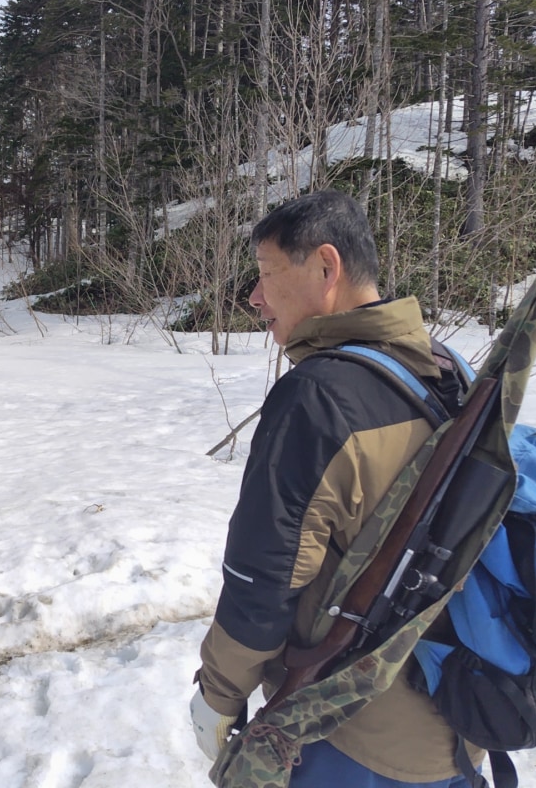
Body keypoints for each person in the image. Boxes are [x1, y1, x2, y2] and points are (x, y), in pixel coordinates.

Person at [189, 191, 480, 787]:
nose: (254, 296)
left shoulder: (319, 398)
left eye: (266, 273)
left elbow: (263, 581)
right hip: (463, 720)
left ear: (326, 266)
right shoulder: (447, 369)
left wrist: (218, 696)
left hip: (351, 736)